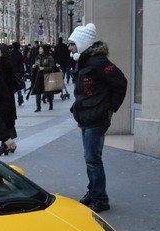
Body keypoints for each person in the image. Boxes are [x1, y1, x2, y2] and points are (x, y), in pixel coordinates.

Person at [68, 23, 127, 213]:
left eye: (72, 44)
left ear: (82, 43)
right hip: (86, 116)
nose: (70, 48)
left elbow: (120, 82)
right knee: (90, 158)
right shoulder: (85, 61)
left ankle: (101, 197)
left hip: (96, 117)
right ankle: (93, 192)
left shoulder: (98, 62)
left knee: (93, 159)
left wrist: (110, 109)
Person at [0, 43, 18, 155]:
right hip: (6, 96)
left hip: (4, 97)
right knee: (7, 120)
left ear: (2, 52)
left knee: (4, 120)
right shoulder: (4, 62)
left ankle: (5, 145)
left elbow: (1, 80)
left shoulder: (3, 63)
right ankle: (8, 144)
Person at [28, 44, 55, 112]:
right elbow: (37, 64)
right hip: (38, 76)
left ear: (44, 50)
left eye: (41, 49)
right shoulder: (38, 57)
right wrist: (35, 66)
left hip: (47, 76)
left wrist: (44, 68)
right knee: (38, 91)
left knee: (48, 91)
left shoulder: (49, 57)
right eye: (39, 49)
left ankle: (51, 104)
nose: (39, 50)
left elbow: (52, 67)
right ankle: (38, 107)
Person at [10, 41, 26, 106]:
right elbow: (21, 64)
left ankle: (12, 98)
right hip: (18, 72)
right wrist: (23, 73)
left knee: (12, 85)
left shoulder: (10, 54)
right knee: (18, 85)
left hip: (11, 71)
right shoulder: (19, 54)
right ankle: (20, 97)